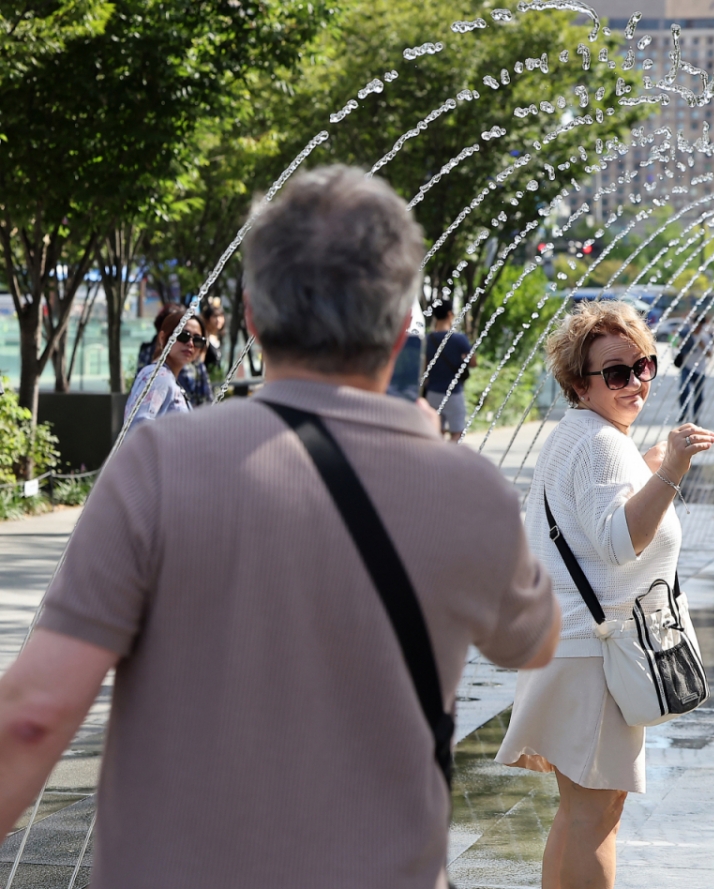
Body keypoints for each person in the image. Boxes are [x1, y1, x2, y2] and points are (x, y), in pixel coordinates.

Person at [0, 165, 560, 889]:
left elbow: (35, 715)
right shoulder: (468, 489)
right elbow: (536, 638)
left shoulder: (160, 465)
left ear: (255, 320)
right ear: (399, 331)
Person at [496, 300, 714, 889]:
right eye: (615, 373)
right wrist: (670, 468)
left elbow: (595, 521)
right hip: (595, 654)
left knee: (581, 813)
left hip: (575, 649)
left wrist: (644, 467)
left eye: (642, 366)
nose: (634, 382)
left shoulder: (582, 435)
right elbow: (620, 542)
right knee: (596, 815)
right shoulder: (599, 443)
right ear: (578, 382)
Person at [123, 306, 206, 430]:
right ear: (163, 338)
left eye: (198, 340)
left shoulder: (167, 377)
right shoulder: (158, 375)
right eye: (183, 336)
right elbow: (139, 429)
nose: (191, 343)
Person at [423, 302, 475, 440]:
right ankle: (450, 461)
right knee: (457, 434)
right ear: (450, 314)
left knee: (435, 433)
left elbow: (424, 367)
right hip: (454, 393)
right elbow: (474, 362)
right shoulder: (459, 339)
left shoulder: (428, 340)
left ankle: (435, 460)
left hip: (433, 393)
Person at [676, 315, 714, 422]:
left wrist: (702, 345)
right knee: (683, 390)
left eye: (699, 325)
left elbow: (710, 354)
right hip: (686, 367)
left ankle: (696, 415)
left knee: (698, 395)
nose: (697, 327)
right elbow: (677, 345)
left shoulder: (705, 338)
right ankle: (684, 412)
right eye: (695, 324)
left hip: (700, 370)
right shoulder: (687, 335)